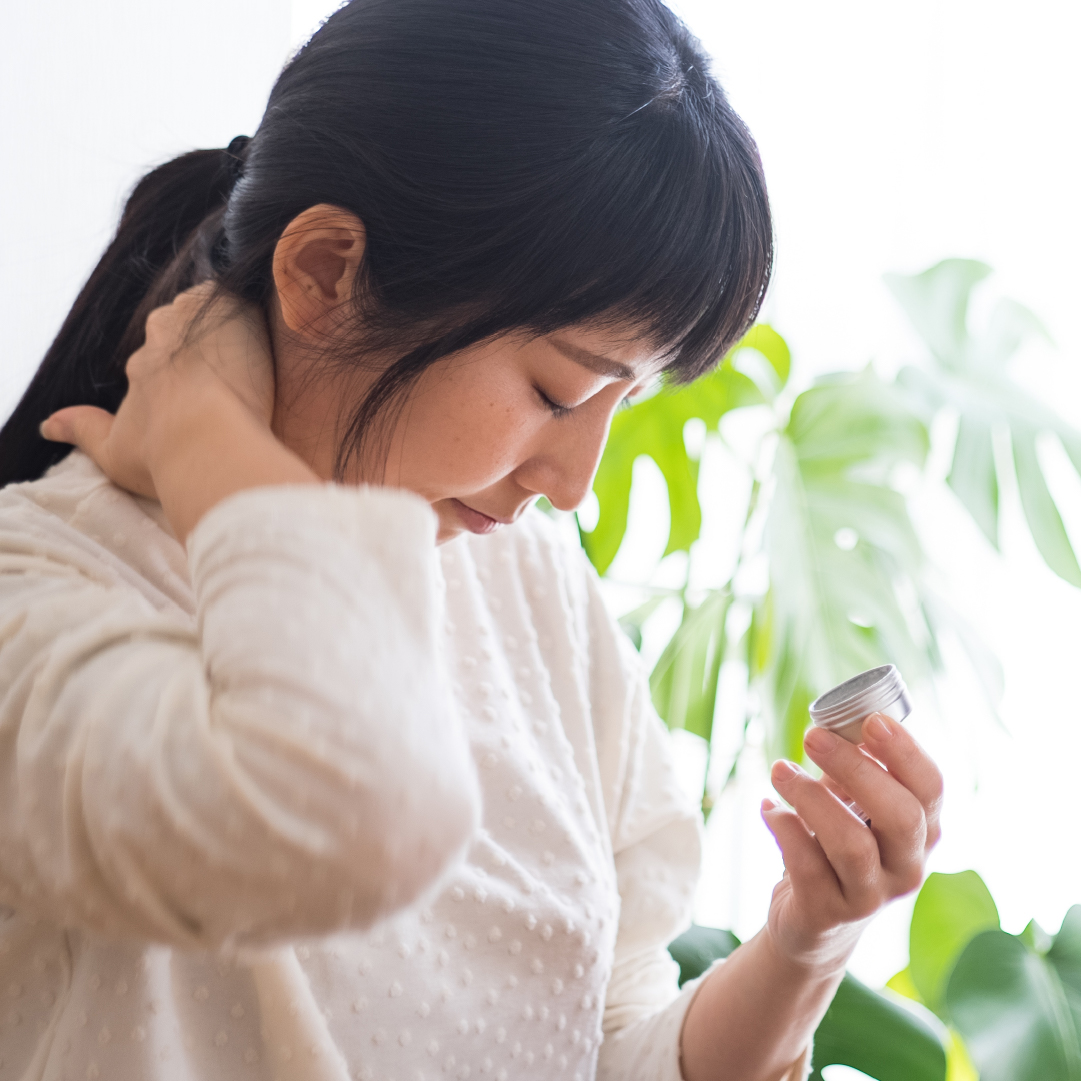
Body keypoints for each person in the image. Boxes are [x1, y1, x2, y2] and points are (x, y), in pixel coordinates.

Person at [0, 1, 943, 1078]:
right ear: (320, 274)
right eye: (556, 390)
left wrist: (804, 944)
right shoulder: (38, 596)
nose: (574, 483)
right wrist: (206, 430)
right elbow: (350, 815)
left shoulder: (526, 579)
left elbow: (599, 1037)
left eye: (619, 402)